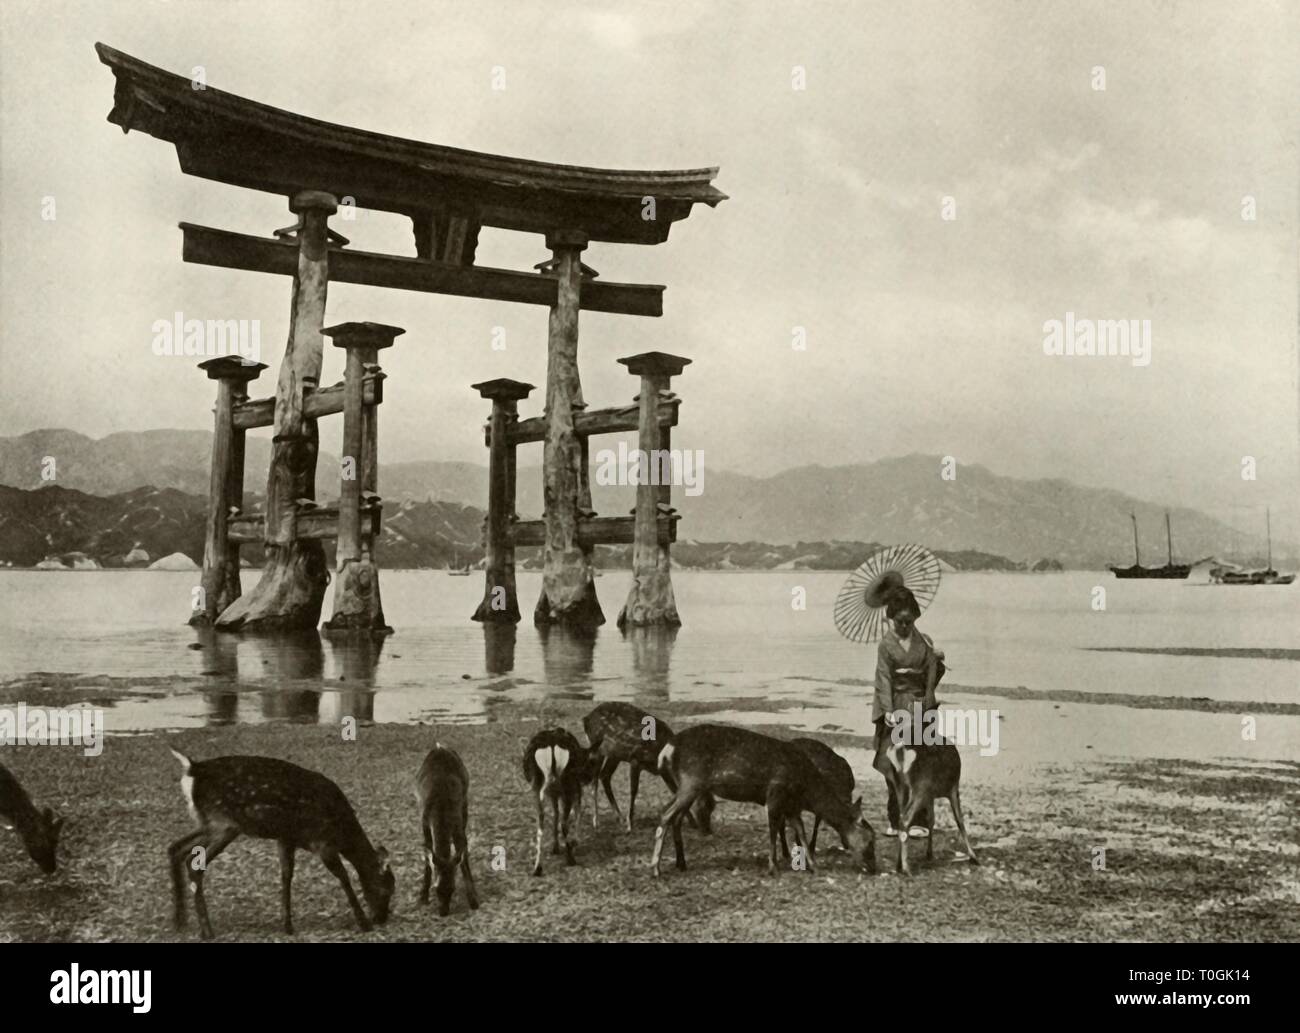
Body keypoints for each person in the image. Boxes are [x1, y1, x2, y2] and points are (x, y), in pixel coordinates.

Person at [870, 586, 944, 837]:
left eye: (909, 621)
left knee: (923, 761)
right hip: (898, 704)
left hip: (921, 704)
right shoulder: (886, 645)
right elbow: (883, 679)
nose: (904, 626)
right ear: (891, 618)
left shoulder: (924, 642)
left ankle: (920, 821)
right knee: (895, 762)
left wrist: (938, 660)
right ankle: (896, 818)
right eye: (900, 621)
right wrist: (888, 710)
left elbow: (933, 675)